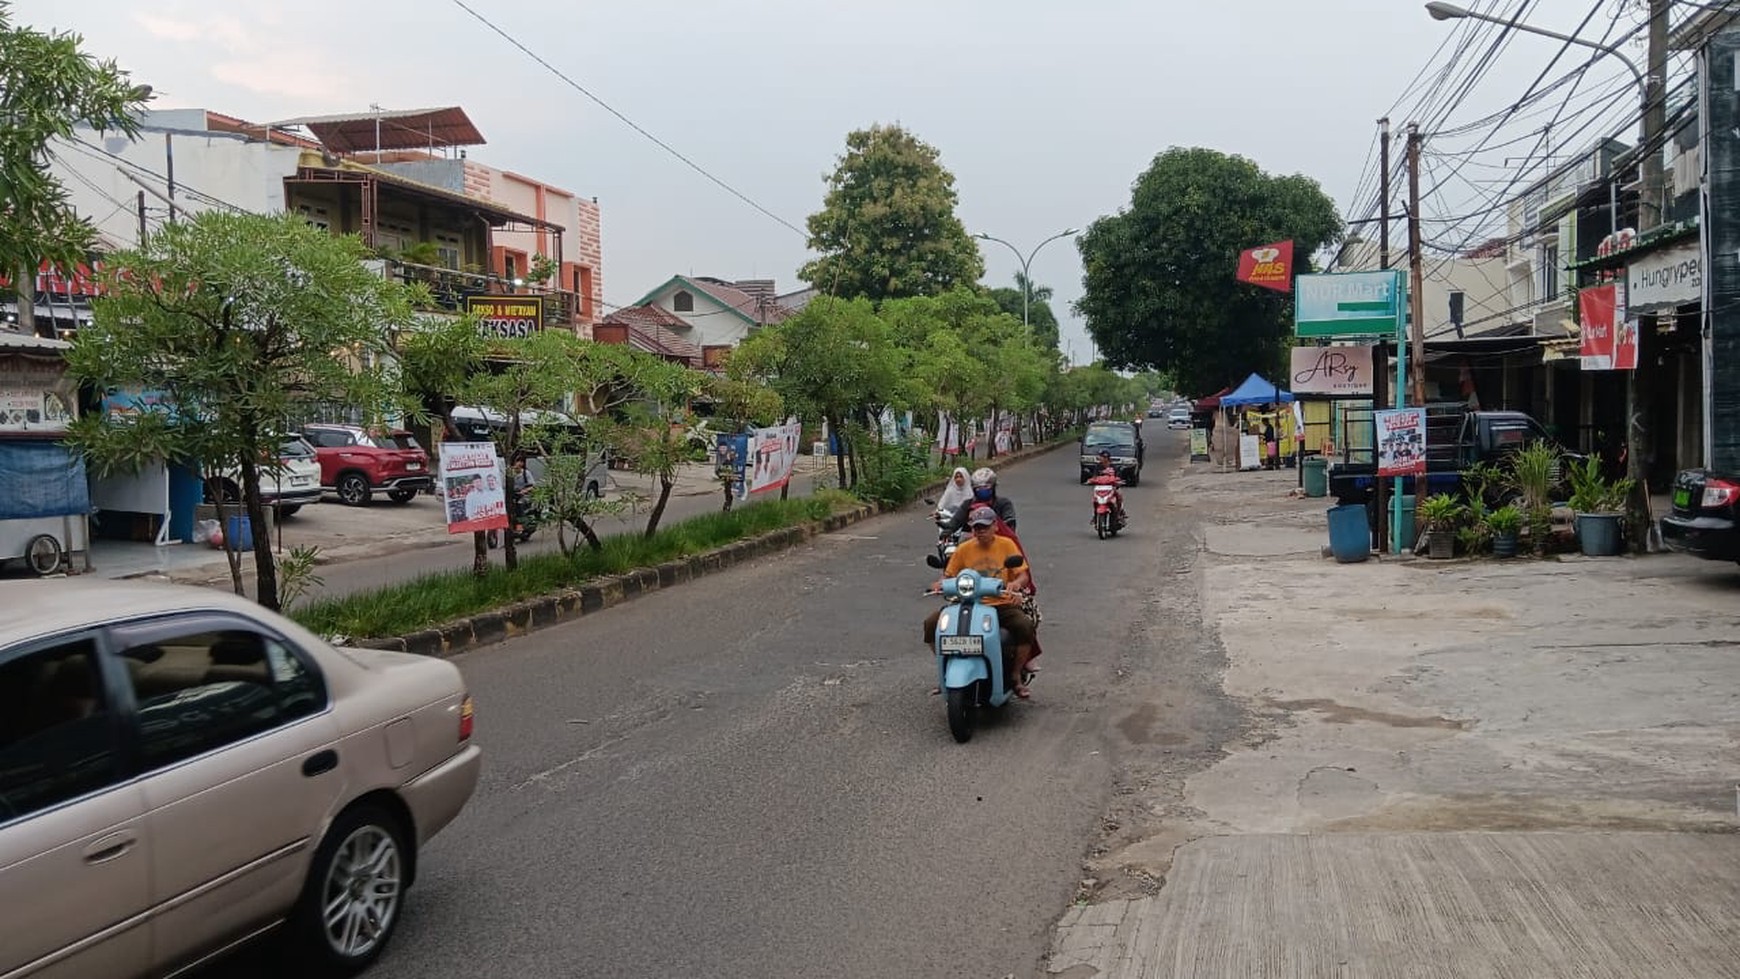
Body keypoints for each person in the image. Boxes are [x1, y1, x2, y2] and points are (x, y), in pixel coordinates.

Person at [922, 506, 1039, 697]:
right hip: (967, 603)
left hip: (1000, 603)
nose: (980, 531)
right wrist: (939, 585)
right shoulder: (963, 549)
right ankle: (944, 672)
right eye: (976, 528)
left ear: (995, 526)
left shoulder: (1007, 545)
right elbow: (949, 575)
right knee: (932, 624)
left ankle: (1015, 676)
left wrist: (1016, 584)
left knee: (1024, 626)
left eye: (984, 527)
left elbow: (1022, 575)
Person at [940, 467, 1017, 535]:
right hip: (975, 540)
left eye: (986, 486)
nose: (982, 490)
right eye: (978, 488)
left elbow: (1009, 520)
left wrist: (1006, 524)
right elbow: (956, 521)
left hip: (998, 540)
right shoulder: (968, 504)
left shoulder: (1003, 503)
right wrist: (949, 529)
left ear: (993, 487)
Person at [1090, 450, 1127, 525]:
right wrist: (1091, 480)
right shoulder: (1098, 466)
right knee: (1095, 500)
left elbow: (1118, 476)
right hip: (1101, 488)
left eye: (1101, 457)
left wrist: (1118, 481)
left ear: (1106, 458)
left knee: (1119, 496)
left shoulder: (1113, 467)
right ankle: (1095, 515)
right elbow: (1094, 476)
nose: (1099, 458)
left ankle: (1120, 513)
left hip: (1112, 487)